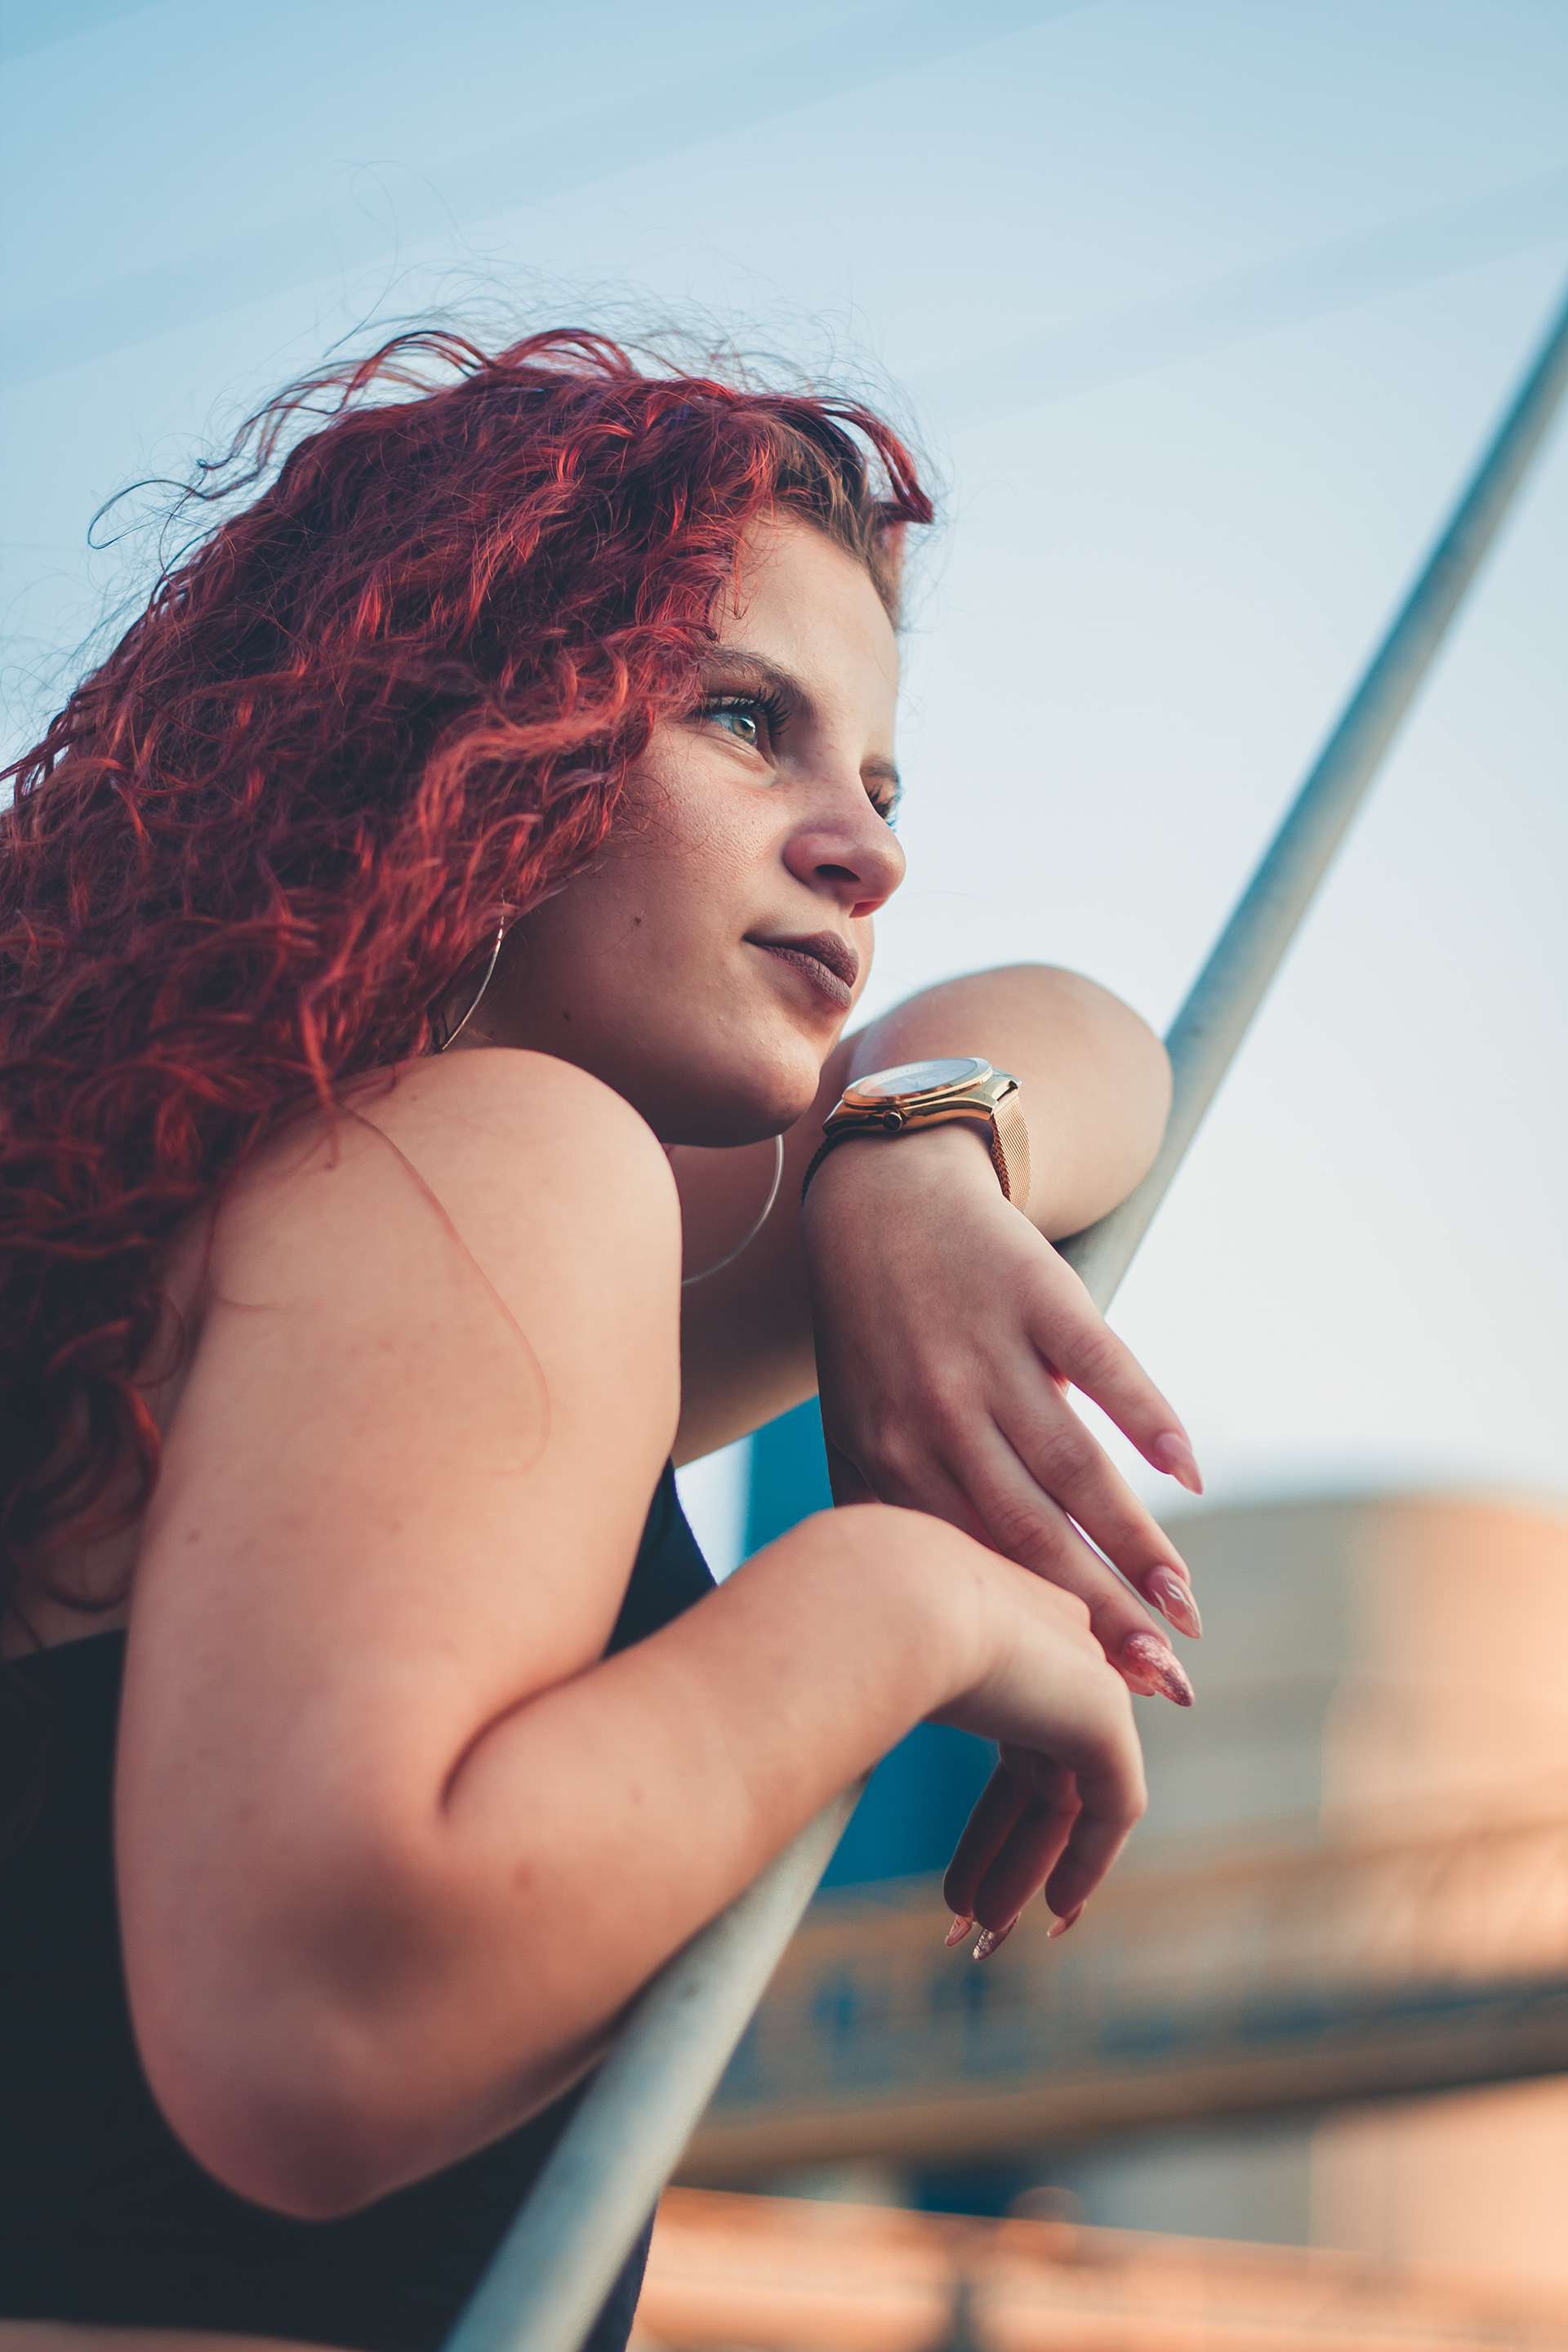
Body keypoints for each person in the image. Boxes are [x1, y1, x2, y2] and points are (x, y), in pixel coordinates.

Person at [0, 330, 1203, 2352]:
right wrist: (904, 1598)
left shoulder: (191, 1243)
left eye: (879, 780)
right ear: (462, 723)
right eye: (746, 719)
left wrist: (912, 1153)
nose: (869, 848)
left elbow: (1098, 1048)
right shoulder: (490, 1153)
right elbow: (317, 2031)